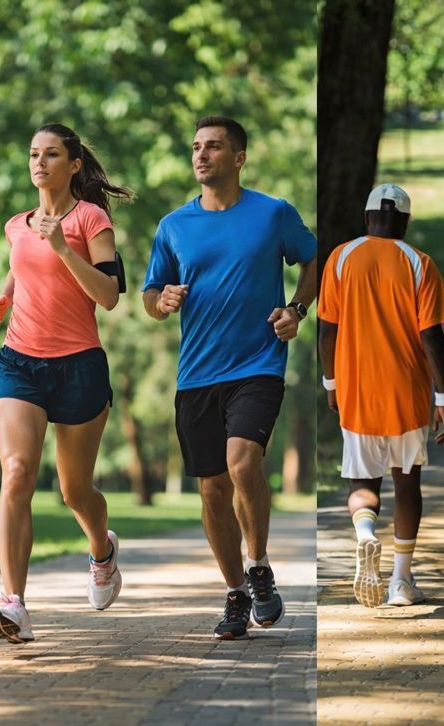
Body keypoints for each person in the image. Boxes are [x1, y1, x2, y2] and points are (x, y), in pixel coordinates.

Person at [142, 116, 317, 640]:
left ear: (238, 157)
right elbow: (151, 297)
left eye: (213, 147)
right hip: (197, 372)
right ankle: (236, 592)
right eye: (196, 147)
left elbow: (314, 259)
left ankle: (259, 564)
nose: (201, 155)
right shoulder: (174, 225)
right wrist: (163, 301)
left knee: (242, 463)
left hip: (257, 364)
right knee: (212, 490)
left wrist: (297, 309)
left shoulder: (273, 214)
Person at [0, 123, 130, 644]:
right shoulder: (16, 225)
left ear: (73, 165)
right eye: (33, 154)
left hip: (79, 367)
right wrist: (4, 299)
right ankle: (14, 604)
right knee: (17, 472)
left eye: (51, 155)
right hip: (20, 363)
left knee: (75, 491)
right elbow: (21, 271)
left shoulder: (91, 220)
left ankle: (101, 552)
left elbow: (110, 295)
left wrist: (66, 249)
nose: (39, 162)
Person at [317, 183, 444, 608]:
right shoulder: (419, 262)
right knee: (407, 481)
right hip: (407, 392)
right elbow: (432, 334)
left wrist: (331, 384)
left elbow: (327, 331)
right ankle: (400, 581)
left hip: (357, 390)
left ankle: (364, 533)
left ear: (367, 217)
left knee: (363, 481)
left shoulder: (340, 258)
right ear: (405, 221)